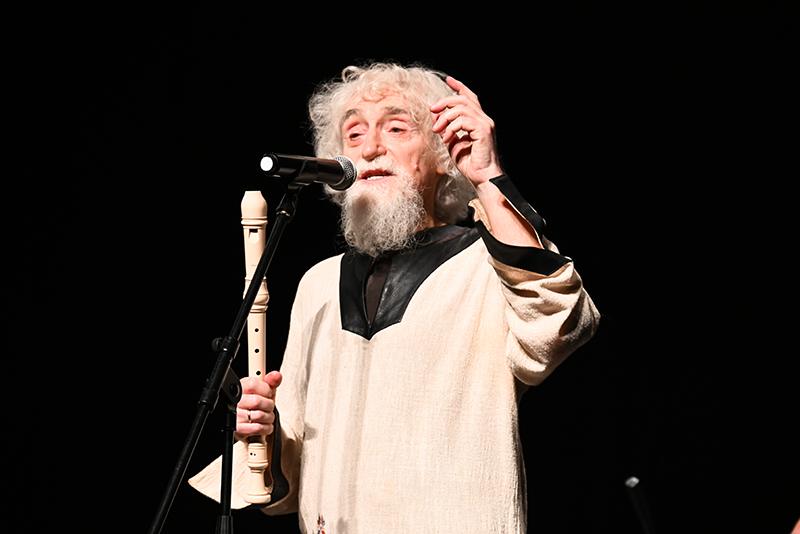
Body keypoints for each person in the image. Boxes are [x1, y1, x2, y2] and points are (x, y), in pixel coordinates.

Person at [189, 62, 600, 533]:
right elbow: (291, 474)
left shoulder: (489, 264)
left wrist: (487, 176)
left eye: (397, 128)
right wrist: (266, 431)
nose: (370, 148)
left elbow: (559, 324)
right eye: (354, 134)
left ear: (444, 154)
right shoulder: (318, 283)